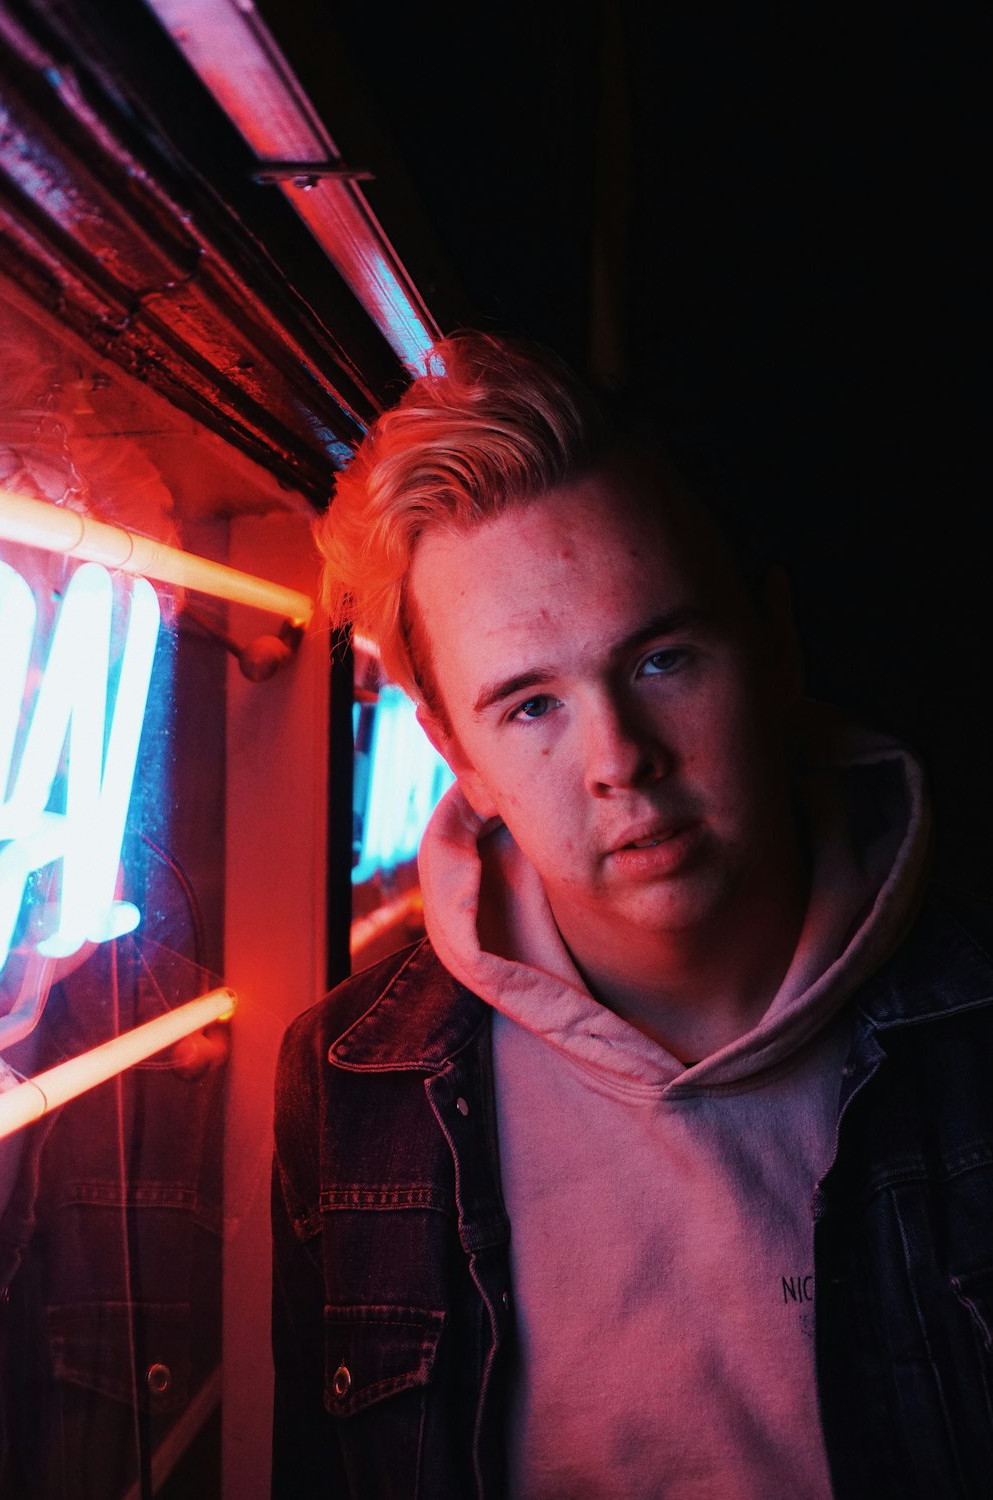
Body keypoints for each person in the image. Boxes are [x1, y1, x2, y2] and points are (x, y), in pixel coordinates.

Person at [271, 332, 993, 1500]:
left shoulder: (972, 1025)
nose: (618, 760)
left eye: (661, 660)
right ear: (454, 751)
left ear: (773, 645)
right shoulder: (353, 1084)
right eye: (531, 705)